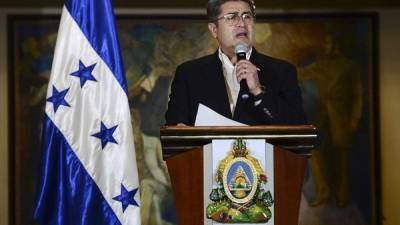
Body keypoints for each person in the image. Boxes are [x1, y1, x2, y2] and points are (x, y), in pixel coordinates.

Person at [165, 0, 306, 125]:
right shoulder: (189, 74)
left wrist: (258, 92)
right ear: (214, 30)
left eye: (247, 16)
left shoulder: (282, 72)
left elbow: (298, 129)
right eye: (232, 17)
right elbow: (175, 129)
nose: (241, 23)